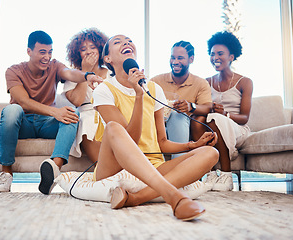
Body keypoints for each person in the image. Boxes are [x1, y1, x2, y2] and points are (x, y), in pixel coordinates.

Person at [92, 34, 219, 221]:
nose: (126, 43)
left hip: (152, 164)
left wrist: (193, 145)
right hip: (114, 167)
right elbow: (131, 140)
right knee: (113, 127)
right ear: (108, 59)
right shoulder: (103, 90)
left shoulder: (153, 88)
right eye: (118, 42)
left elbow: (162, 143)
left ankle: (135, 198)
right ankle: (174, 197)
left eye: (128, 40)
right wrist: (138, 96)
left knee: (210, 153)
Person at [0, 30, 102, 194]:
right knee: (11, 110)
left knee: (72, 112)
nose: (47, 57)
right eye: (42, 52)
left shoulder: (54, 66)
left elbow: (70, 73)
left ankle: (54, 168)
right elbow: (23, 102)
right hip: (23, 124)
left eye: (50, 52)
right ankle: (6, 172)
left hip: (46, 125)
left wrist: (86, 75)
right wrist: (54, 112)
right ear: (29, 51)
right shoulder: (13, 71)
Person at [202, 31, 253, 191]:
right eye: (212, 54)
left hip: (238, 129)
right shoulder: (206, 82)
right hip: (213, 126)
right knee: (205, 120)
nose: (215, 57)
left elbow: (244, 117)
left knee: (216, 119)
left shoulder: (244, 82)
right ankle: (209, 174)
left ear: (231, 56)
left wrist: (226, 114)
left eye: (220, 53)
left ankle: (226, 175)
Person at [151, 41, 212, 159]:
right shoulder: (156, 81)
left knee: (177, 115)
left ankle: (179, 164)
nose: (175, 62)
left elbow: (208, 107)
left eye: (180, 58)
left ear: (191, 59)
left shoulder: (200, 83)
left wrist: (190, 107)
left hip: (181, 126)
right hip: (157, 125)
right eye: (172, 58)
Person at [60, 28, 109, 163]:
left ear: (100, 50)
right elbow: (77, 101)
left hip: (110, 112)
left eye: (92, 47)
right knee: (87, 122)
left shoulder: (112, 74)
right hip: (86, 113)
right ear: (77, 54)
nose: (88, 51)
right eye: (83, 49)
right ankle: (103, 170)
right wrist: (85, 72)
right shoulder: (73, 76)